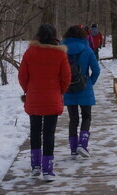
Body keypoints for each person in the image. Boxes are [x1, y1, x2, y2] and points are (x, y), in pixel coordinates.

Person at [19, 23, 70, 182]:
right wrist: (60, 91)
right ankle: (48, 169)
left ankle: (35, 165)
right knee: (49, 133)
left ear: (38, 35)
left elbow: (22, 76)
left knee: (35, 131)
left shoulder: (30, 53)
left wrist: (28, 89)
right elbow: (66, 77)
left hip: (34, 98)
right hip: (52, 98)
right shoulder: (60, 54)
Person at [62, 25, 101, 158]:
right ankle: (82, 144)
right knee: (86, 116)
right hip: (84, 87)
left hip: (68, 88)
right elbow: (96, 71)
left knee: (73, 119)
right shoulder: (87, 50)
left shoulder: (61, 51)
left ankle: (73, 149)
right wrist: (89, 83)